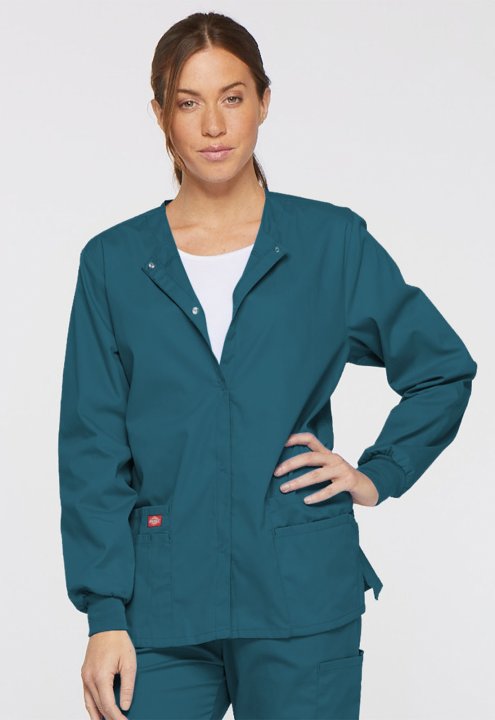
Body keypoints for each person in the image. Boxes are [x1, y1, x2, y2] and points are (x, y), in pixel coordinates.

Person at [57, 11, 477, 720]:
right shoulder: (113, 263)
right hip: (161, 605)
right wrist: (104, 614)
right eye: (188, 103)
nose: (213, 125)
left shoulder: (329, 243)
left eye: (232, 97)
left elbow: (441, 368)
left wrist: (377, 473)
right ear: (160, 115)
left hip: (300, 597)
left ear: (264, 102)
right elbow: (92, 447)